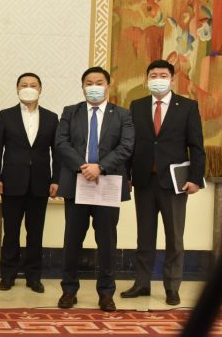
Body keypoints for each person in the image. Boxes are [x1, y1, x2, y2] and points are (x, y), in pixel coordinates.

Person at [121, 59, 205, 306]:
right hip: (144, 181)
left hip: (175, 184)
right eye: (153, 76)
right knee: (144, 236)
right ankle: (142, 283)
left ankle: (172, 286)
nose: (158, 79)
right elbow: (129, 145)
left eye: (163, 75)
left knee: (174, 238)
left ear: (172, 79)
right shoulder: (137, 106)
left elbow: (196, 146)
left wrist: (195, 179)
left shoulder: (187, 106)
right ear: (146, 79)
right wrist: (126, 176)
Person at [55, 66, 134, 312]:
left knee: (107, 242)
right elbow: (61, 142)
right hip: (77, 183)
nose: (94, 87)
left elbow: (126, 146)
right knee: (72, 241)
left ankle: (106, 293)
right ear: (82, 87)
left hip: (107, 184)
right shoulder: (70, 112)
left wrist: (100, 167)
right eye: (89, 83)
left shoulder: (122, 114)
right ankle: (69, 290)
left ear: (108, 86)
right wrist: (83, 167)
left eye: (99, 82)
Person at [0, 73, 59, 292]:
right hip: (11, 182)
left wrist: (56, 180)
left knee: (35, 233)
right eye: (24, 85)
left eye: (33, 85)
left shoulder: (51, 117)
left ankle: (33, 276)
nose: (28, 88)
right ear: (17, 89)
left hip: (40, 183)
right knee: (11, 232)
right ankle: (7, 275)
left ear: (40, 89)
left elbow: (57, 152)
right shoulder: (6, 115)